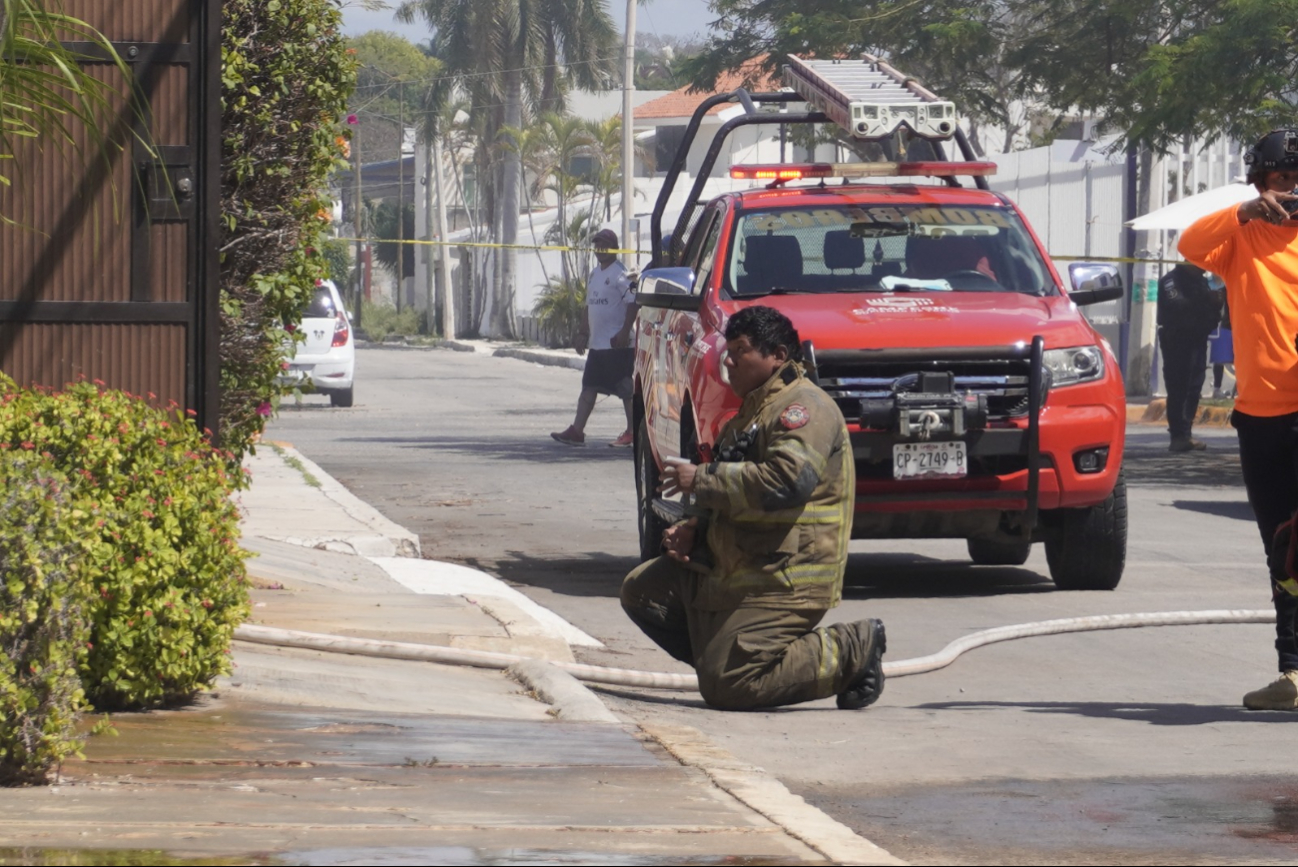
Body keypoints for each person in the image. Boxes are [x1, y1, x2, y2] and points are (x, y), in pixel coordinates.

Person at [620, 305, 886, 711]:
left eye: (740, 351)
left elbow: (786, 482)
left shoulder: (803, 409)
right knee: (642, 592)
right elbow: (731, 485)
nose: (728, 361)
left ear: (777, 355)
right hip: (740, 565)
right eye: (728, 351)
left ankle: (851, 649)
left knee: (728, 686)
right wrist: (694, 526)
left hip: (783, 577)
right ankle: (728, 661)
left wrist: (701, 478)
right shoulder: (750, 413)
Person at [1179, 127, 1298, 710]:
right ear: (1259, 183)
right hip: (1258, 418)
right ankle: (1292, 674)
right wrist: (1244, 213)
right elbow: (1189, 243)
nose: (1291, 190)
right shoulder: (1240, 239)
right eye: (1282, 179)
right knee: (1282, 548)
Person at [551, 229, 637, 447]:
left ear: (614, 248)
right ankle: (577, 431)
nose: (600, 248)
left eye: (604, 244)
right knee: (589, 386)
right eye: (597, 244)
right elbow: (589, 306)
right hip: (598, 345)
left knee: (626, 390)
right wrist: (583, 333)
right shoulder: (594, 274)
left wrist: (624, 331)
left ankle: (633, 431)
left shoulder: (621, 274)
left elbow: (633, 303)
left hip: (617, 345)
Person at [1156, 262, 1223, 451]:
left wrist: (1215, 304)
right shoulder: (1171, 280)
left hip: (1198, 339)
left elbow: (1209, 312)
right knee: (1178, 388)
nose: (1206, 266)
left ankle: (1186, 434)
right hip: (1177, 340)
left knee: (1194, 388)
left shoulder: (1201, 281)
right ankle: (1178, 436)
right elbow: (1178, 304)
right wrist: (1205, 298)